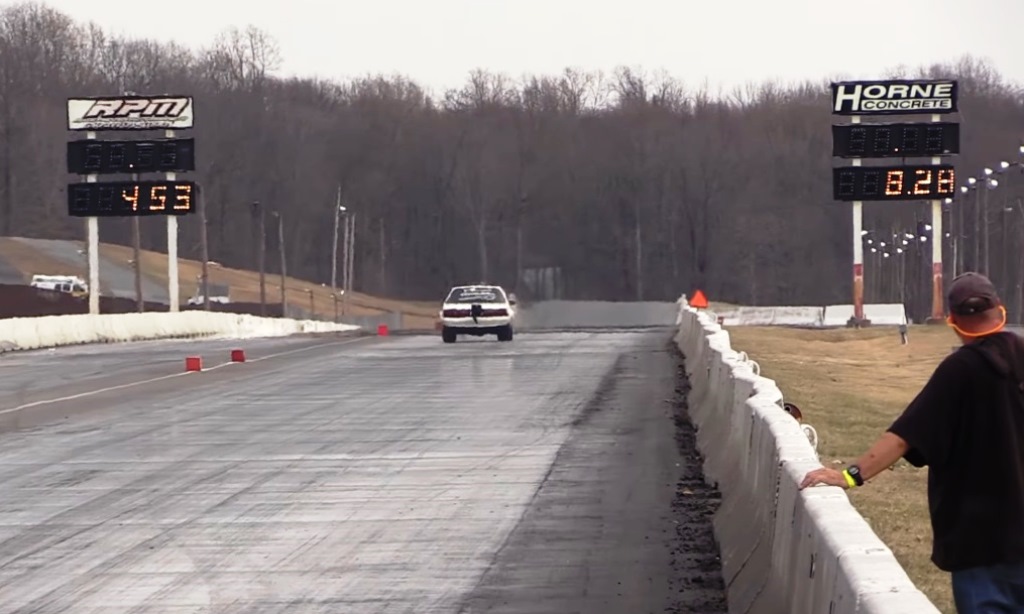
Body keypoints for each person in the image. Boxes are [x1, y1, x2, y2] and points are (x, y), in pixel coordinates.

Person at [800, 272, 1024, 613]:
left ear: (953, 321)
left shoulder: (959, 370)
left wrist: (849, 475)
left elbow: (906, 436)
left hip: (979, 545)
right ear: (1000, 311)